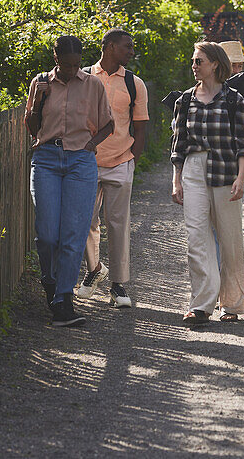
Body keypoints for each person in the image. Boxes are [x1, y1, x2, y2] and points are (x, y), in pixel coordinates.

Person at [25, 35, 114, 327]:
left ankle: (63, 299)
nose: (72, 70)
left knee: (73, 234)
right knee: (48, 234)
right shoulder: (41, 82)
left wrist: (91, 145)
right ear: (56, 60)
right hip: (47, 159)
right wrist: (38, 98)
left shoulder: (93, 85)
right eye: (66, 65)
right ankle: (50, 281)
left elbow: (108, 124)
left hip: (80, 162)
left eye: (77, 65)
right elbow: (32, 127)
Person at [170, 41, 244, 325]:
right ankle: (201, 304)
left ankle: (231, 304)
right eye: (193, 61)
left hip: (226, 171)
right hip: (193, 170)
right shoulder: (184, 100)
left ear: (215, 64)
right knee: (196, 239)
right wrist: (176, 180)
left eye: (198, 61)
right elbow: (178, 144)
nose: (193, 66)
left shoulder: (233, 100)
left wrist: (241, 178)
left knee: (229, 240)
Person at [75, 29, 150, 308]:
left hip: (121, 160)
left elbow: (140, 126)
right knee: (85, 221)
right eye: (127, 47)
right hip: (84, 162)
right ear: (108, 46)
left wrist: (133, 159)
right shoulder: (83, 77)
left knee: (118, 224)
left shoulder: (134, 83)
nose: (131, 52)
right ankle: (93, 270)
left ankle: (118, 286)